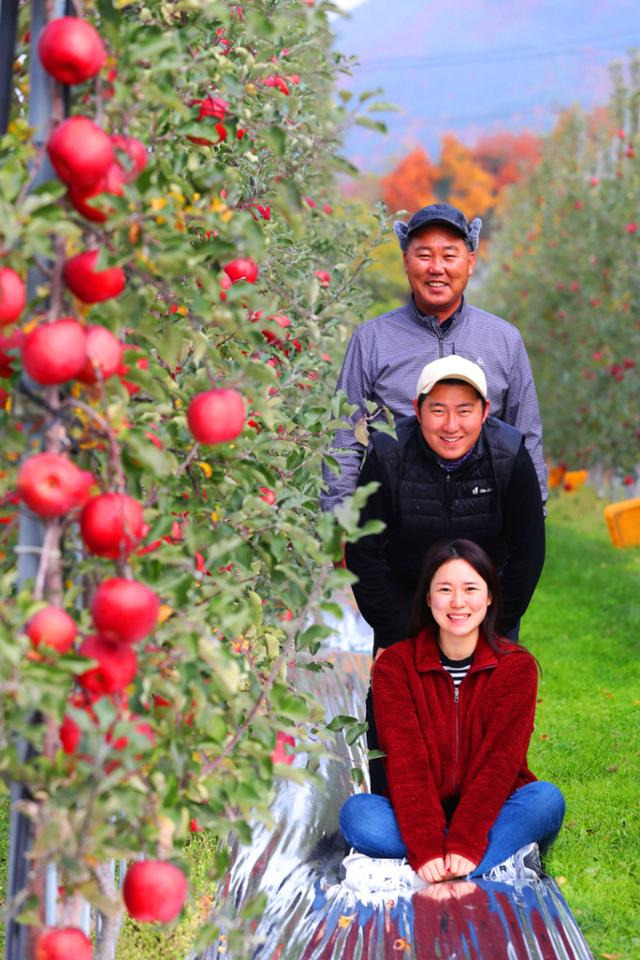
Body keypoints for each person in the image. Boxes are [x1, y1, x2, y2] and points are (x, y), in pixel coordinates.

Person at [339, 539, 565, 885]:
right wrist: (428, 845)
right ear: (428, 598)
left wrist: (465, 842)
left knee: (546, 799)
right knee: (358, 815)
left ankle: (449, 868)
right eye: (445, 589)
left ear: (489, 597)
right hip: (417, 816)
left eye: (470, 588)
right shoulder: (396, 667)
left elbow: (499, 765)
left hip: (491, 814)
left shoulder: (515, 667)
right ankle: (482, 864)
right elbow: (404, 762)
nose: (458, 602)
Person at [320, 202, 547, 512]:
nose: (436, 267)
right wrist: (339, 522)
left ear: (469, 262)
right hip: (394, 522)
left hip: (484, 521)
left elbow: (526, 437)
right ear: (406, 261)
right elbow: (345, 438)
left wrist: (533, 517)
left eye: (449, 255)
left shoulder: (503, 340)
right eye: (424, 255)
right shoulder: (372, 340)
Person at [345, 354, 545, 652]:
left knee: (487, 696)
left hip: (485, 607)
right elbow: (364, 550)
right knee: (398, 697)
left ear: (485, 411)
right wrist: (393, 631)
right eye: (438, 410)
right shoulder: (389, 453)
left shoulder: (510, 455)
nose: (451, 426)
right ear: (417, 410)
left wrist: (495, 626)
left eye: (465, 410)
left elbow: (527, 553)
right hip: (405, 604)